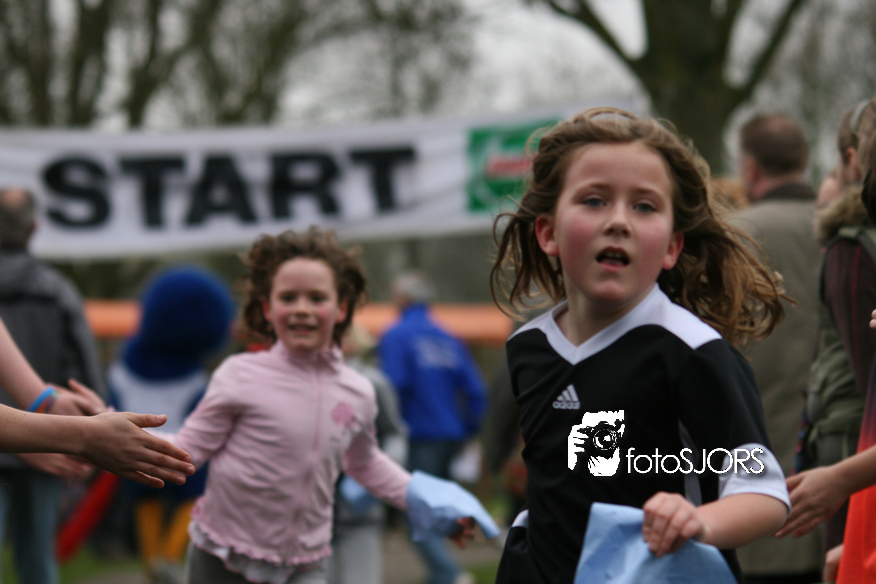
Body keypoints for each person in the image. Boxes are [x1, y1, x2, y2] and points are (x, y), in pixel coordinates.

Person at [488, 106, 791, 584]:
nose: (619, 221)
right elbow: (584, 472)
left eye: (644, 206)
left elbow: (764, 493)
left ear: (672, 246)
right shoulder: (529, 347)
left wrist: (699, 522)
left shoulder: (689, 351)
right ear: (547, 232)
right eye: (594, 200)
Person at [158, 227, 478, 584]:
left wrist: (430, 505)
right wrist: (117, 435)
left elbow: (367, 464)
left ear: (342, 308)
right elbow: (188, 450)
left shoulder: (358, 391)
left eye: (316, 298)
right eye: (288, 297)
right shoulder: (238, 375)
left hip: (304, 562)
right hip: (221, 553)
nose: (302, 309)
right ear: (267, 307)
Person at [775, 97, 876, 584]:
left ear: (852, 160)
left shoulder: (850, 249)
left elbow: (867, 379)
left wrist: (842, 478)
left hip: (852, 447)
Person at [726, 114, 823, 583]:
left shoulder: (733, 235)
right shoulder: (848, 226)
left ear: (749, 168)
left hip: (755, 467)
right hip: (846, 469)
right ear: (803, 160)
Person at [0, 186, 108, 583]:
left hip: (33, 431)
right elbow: (84, 367)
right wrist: (92, 426)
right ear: (34, 228)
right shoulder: (57, 289)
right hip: (49, 438)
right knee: (39, 557)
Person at [107, 266, 235, 584]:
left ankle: (153, 562)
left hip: (133, 443)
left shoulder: (125, 366)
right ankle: (167, 556)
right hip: (184, 448)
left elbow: (112, 397)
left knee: (144, 496)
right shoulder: (194, 377)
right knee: (196, 492)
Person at [378, 270, 488, 584]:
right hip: (450, 435)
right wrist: (468, 429)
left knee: (415, 512)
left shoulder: (396, 335)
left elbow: (391, 388)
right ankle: (441, 574)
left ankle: (449, 574)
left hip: (418, 436)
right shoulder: (448, 337)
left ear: (402, 298)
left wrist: (386, 432)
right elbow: (476, 391)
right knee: (433, 508)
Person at [328, 325, 407, 584]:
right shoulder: (300, 381)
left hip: (358, 510)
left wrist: (377, 477)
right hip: (312, 513)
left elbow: (394, 433)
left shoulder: (373, 382)